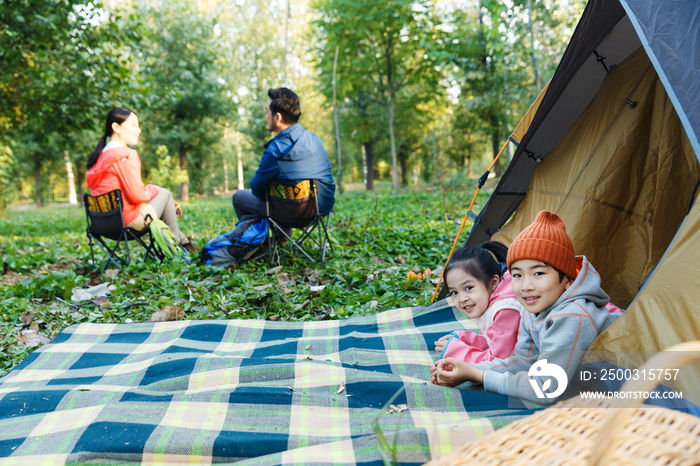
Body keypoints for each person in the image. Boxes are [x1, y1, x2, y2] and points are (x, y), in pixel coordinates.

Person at [432, 211, 620, 404]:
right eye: (517, 275)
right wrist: (468, 369)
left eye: (538, 273)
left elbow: (546, 387)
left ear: (567, 279)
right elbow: (521, 363)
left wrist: (478, 375)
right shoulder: (532, 309)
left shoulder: (572, 316)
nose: (525, 286)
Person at [85, 107, 198, 252]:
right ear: (116, 127)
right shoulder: (126, 155)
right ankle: (180, 247)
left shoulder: (99, 158)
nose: (138, 130)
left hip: (102, 224)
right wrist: (154, 189)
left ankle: (184, 243)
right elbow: (136, 196)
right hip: (128, 223)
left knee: (163, 198)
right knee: (165, 193)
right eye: (133, 125)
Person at [232, 88, 335, 223]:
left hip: (285, 216)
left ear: (278, 117)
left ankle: (265, 239)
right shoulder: (316, 140)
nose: (265, 117)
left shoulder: (274, 151)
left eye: (266, 112)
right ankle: (281, 237)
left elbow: (256, 189)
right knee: (285, 197)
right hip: (319, 210)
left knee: (238, 196)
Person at [434, 242, 523, 364]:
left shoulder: (505, 309)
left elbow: (498, 362)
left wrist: (456, 352)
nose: (461, 299)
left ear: (493, 282)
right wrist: (463, 339)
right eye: (454, 292)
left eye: (468, 288)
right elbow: (492, 339)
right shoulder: (493, 298)